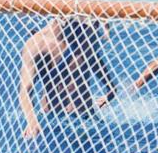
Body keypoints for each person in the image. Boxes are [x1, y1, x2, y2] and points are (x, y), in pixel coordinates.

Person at [18, 11, 117, 140]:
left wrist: (111, 89)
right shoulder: (37, 44)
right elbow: (25, 90)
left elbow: (93, 59)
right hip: (52, 120)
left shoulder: (86, 35)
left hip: (86, 118)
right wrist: (32, 121)